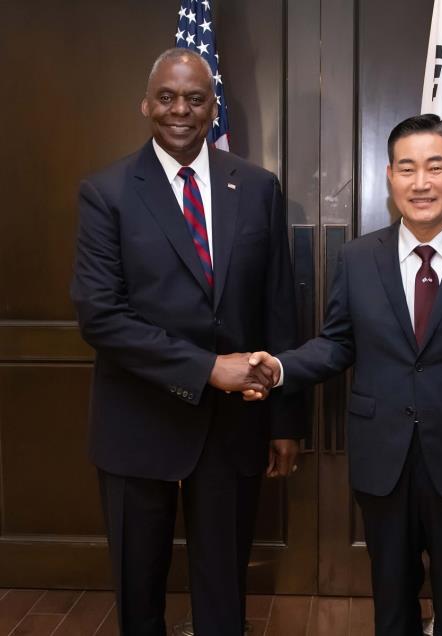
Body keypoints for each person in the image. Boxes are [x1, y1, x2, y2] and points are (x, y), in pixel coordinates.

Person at [245, 115, 442, 636]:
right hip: (384, 459)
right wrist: (282, 367)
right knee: (391, 599)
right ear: (389, 177)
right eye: (407, 168)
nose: (421, 183)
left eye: (435, 167)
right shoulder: (359, 258)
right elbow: (337, 343)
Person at [71, 48, 303, 636]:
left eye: (195, 99)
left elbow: (278, 306)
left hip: (232, 428)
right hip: (136, 422)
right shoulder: (107, 192)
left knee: (224, 591)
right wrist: (206, 369)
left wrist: (284, 422)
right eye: (168, 97)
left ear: (212, 107)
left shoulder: (256, 187)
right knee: (138, 591)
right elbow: (101, 315)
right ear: (146, 104)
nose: (181, 110)